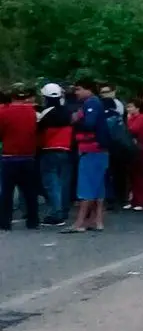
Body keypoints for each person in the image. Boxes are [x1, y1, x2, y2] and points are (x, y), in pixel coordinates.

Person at [63, 79, 110, 234]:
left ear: (88, 90)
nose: (76, 92)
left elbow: (89, 124)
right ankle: (97, 220)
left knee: (86, 187)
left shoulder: (91, 104)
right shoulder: (95, 103)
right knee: (98, 187)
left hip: (91, 149)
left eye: (79, 89)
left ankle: (80, 222)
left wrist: (76, 120)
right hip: (99, 150)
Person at [0, 83, 40, 231]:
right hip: (28, 156)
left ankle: (5, 222)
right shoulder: (32, 112)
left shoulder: (3, 112)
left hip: (9, 156)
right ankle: (33, 221)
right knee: (30, 191)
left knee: (7, 192)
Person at [38, 83, 74, 226]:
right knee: (63, 182)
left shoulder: (45, 113)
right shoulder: (68, 112)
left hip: (49, 150)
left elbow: (39, 133)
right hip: (66, 150)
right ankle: (63, 210)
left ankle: (56, 213)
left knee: (51, 183)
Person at [125, 100, 143, 211]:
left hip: (141, 149)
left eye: (131, 106)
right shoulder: (130, 118)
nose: (129, 109)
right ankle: (134, 200)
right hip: (132, 150)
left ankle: (142, 201)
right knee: (133, 176)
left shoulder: (141, 118)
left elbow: (133, 130)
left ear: (137, 108)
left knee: (141, 177)